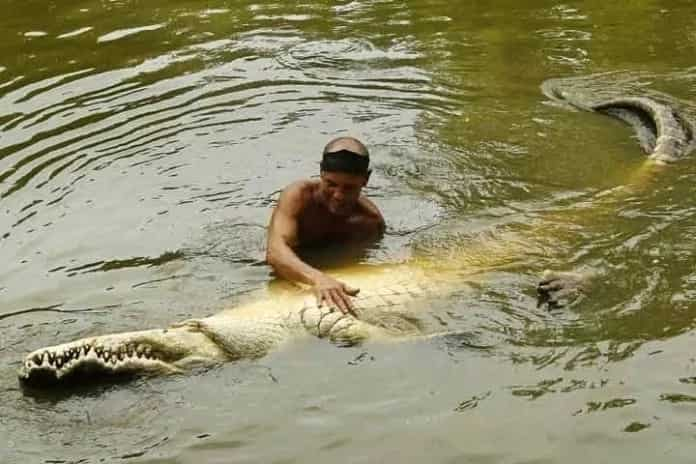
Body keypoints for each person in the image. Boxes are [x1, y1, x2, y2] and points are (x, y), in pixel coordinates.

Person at [266, 136, 385, 315]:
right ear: (321, 173)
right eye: (331, 184)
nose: (338, 195)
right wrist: (318, 279)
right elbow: (275, 253)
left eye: (349, 188)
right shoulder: (298, 196)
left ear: (365, 180)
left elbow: (359, 264)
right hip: (296, 261)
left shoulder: (369, 221)